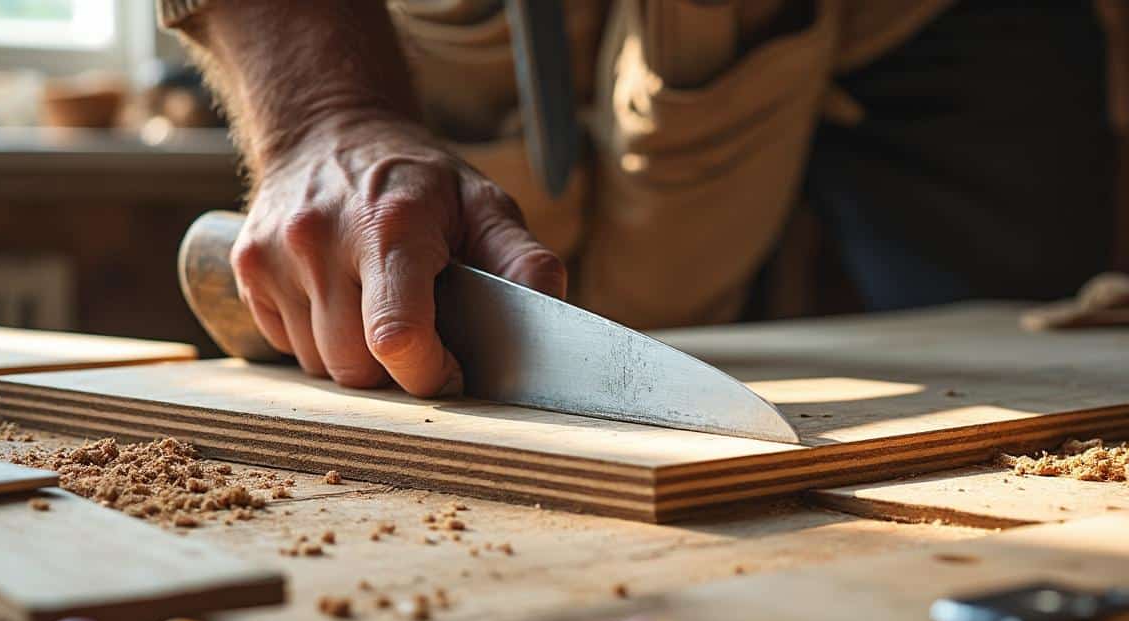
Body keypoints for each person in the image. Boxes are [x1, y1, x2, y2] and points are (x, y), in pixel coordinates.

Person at [161, 1, 1125, 396]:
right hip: (472, 29)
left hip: (913, 22)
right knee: (427, 287)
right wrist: (327, 109)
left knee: (1041, 373)